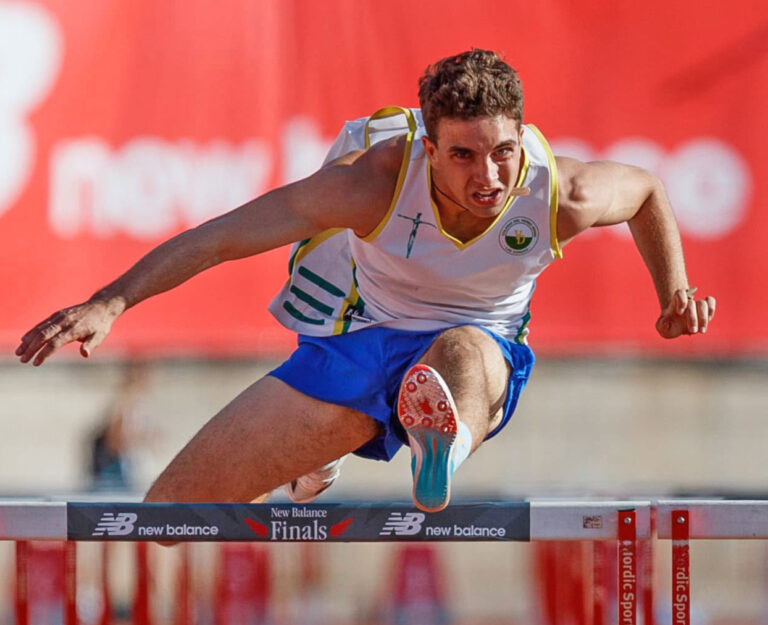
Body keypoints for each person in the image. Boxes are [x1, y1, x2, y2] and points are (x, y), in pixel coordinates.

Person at [16, 49, 715, 512]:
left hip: (479, 352)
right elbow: (223, 236)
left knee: (463, 351)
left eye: (504, 151)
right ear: (428, 146)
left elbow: (649, 191)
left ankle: (441, 447)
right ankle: (338, 449)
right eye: (464, 156)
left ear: (521, 138)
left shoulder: (559, 194)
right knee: (166, 511)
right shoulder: (375, 182)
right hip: (362, 345)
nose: (490, 177)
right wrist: (111, 301)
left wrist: (673, 294)